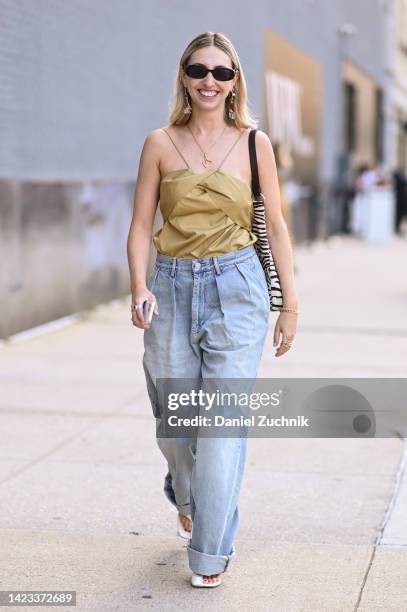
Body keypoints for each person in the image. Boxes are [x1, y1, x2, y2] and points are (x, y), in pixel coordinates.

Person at [127, 31, 298, 589]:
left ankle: (209, 552)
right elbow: (139, 225)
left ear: (234, 82)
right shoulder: (159, 141)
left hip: (239, 287)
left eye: (222, 73)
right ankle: (185, 490)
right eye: (199, 70)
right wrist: (138, 286)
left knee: (221, 427)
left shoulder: (255, 144)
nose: (209, 81)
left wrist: (288, 304)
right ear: (184, 75)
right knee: (177, 424)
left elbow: (274, 225)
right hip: (171, 285)